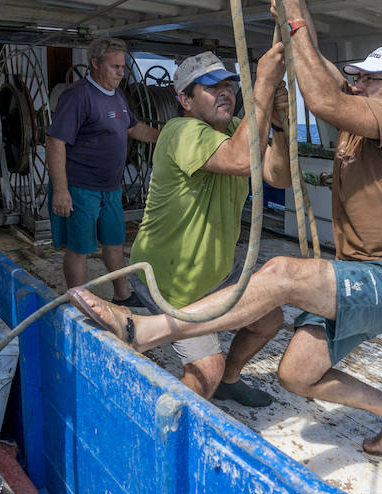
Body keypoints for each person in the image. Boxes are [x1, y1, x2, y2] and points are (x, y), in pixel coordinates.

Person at [71, 0, 382, 456]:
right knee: (298, 373)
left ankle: (147, 331)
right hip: (353, 272)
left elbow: (321, 99)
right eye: (356, 78)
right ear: (184, 100)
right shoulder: (193, 131)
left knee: (281, 274)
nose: (356, 84)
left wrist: (280, 52)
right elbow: (308, 55)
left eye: (369, 80)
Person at [124, 45, 293, 405]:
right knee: (206, 371)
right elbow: (237, 159)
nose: (226, 93)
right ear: (185, 100)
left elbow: (278, 177)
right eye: (212, 87)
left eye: (229, 86)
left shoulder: (236, 129)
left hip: (217, 273)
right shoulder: (179, 131)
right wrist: (262, 82)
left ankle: (231, 381)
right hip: (170, 280)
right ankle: (164, 431)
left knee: (269, 320)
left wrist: (278, 122)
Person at [47, 38, 160, 303]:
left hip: (110, 188)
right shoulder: (78, 96)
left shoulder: (117, 95)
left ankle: (122, 294)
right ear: (95, 64)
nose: (121, 72)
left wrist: (167, 136)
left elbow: (134, 128)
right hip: (80, 188)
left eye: (123, 67)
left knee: (113, 242)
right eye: (115, 66)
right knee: (80, 249)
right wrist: (61, 190)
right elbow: (55, 141)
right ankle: (80, 302)